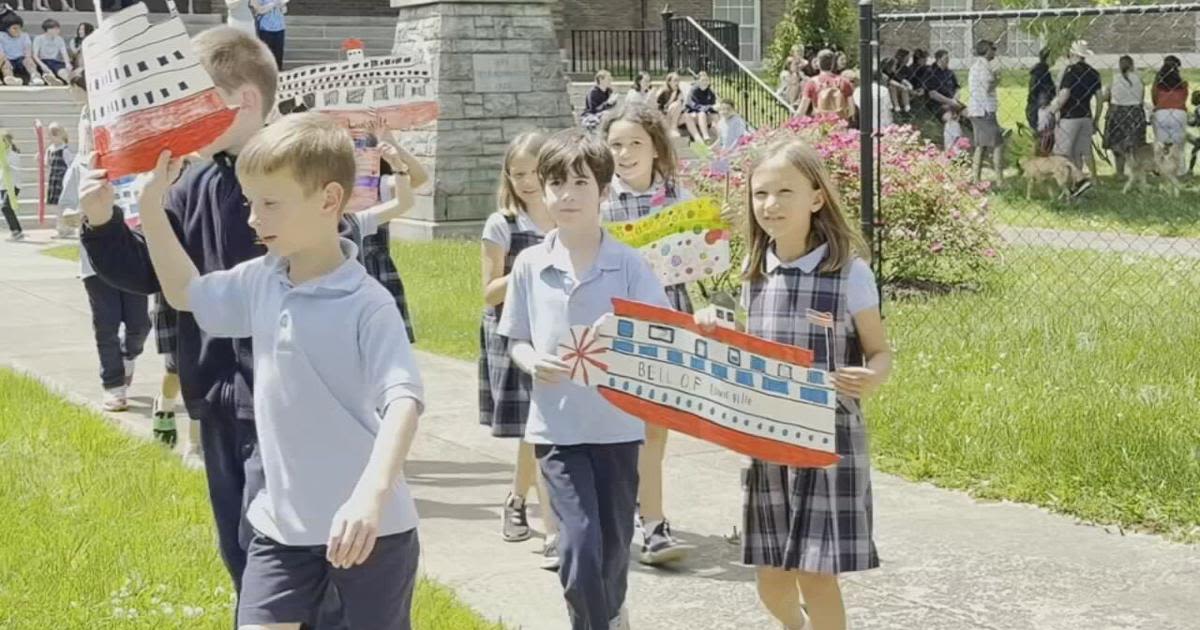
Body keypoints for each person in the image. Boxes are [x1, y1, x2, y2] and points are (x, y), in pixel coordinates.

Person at [134, 113, 425, 628]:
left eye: (270, 203)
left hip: (369, 532)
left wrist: (370, 496)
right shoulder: (260, 281)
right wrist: (150, 209)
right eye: (250, 202)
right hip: (280, 531)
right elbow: (184, 293)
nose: (252, 218)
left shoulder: (367, 303)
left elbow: (403, 400)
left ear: (329, 201)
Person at [78, 26, 298, 605]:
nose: (175, 122)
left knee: (281, 564)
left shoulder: (298, 171)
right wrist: (102, 222)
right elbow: (153, 272)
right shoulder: (192, 181)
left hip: (290, 399)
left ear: (244, 99)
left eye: (189, 104)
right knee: (241, 552)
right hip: (219, 400)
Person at [695, 137, 891, 630]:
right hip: (767, 441)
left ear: (817, 198)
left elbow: (880, 351)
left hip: (829, 440)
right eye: (760, 194)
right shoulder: (753, 272)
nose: (771, 204)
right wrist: (717, 332)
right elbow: (751, 348)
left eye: (785, 192)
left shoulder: (849, 273)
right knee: (770, 577)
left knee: (817, 574)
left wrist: (873, 377)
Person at [498, 127, 670, 630]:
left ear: (603, 190)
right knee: (578, 550)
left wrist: (620, 334)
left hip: (619, 430)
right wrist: (533, 362)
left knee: (613, 550)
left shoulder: (628, 264)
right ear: (541, 190)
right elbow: (517, 340)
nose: (567, 195)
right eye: (555, 184)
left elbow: (658, 327)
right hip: (557, 432)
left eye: (580, 183)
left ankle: (611, 615)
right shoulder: (531, 264)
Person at [600, 102, 697, 567]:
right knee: (613, 428)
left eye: (636, 143)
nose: (624, 152)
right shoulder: (598, 200)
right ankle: (612, 515)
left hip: (667, 321)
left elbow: (701, 259)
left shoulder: (680, 198)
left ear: (657, 148)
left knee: (654, 429)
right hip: (613, 324)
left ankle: (654, 523)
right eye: (615, 144)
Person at [478, 131, 560, 569]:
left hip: (558, 333)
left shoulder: (567, 215)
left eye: (534, 172)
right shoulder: (503, 223)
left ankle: (517, 498)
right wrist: (532, 264)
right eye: (518, 173)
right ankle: (548, 525)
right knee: (536, 427)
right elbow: (489, 292)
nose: (527, 182)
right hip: (515, 336)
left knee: (541, 427)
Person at [58, 116, 151, 413]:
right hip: (95, 263)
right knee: (106, 326)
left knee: (139, 324)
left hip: (134, 256)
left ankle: (128, 356)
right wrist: (79, 215)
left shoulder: (136, 163)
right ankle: (113, 385)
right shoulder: (81, 168)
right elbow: (67, 210)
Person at [1053, 40, 1102, 187]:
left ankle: (1071, 178)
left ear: (1072, 53)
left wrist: (1053, 110)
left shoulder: (1069, 71)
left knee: (1063, 152)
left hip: (1069, 116)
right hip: (1086, 115)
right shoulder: (1093, 73)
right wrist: (1096, 118)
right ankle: (1093, 178)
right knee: (1086, 150)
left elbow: (1064, 93)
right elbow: (1099, 98)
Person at [966, 39, 1005, 185]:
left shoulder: (978, 65)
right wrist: (997, 78)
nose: (994, 51)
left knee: (981, 146)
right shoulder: (983, 66)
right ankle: (999, 179)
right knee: (998, 143)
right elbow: (987, 87)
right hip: (984, 110)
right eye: (992, 48)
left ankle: (976, 178)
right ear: (986, 50)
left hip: (977, 109)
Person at [1102, 55, 1146, 179]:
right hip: (1135, 112)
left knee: (1118, 145)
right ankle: (1136, 171)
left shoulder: (1114, 79)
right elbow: (1142, 98)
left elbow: (1106, 97)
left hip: (1118, 113)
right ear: (1132, 66)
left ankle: (1120, 173)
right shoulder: (1139, 79)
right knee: (1134, 145)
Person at [1151, 55, 1189, 177]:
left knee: (1161, 144)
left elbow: (1154, 99)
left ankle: (1159, 169)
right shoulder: (1183, 84)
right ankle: (1180, 170)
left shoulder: (1158, 85)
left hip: (1161, 112)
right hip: (1179, 113)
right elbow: (1184, 98)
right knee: (1179, 145)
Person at [796, 49, 853, 118]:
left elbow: (801, 110)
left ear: (818, 63)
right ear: (833, 64)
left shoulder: (812, 83)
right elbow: (851, 110)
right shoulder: (844, 82)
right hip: (840, 125)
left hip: (820, 125)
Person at [44, 122, 74, 236]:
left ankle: (62, 228)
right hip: (54, 180)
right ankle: (65, 227)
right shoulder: (50, 150)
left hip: (62, 181)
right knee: (57, 206)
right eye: (51, 134)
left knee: (61, 205)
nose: (53, 136)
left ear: (61, 134)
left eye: (56, 133)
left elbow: (71, 165)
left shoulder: (65, 150)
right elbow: (48, 164)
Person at [1, 15, 41, 86]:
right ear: (7, 29)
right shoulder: (1, 36)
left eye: (19, 28)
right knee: (5, 64)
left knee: (29, 61)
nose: (17, 30)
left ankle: (35, 77)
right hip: (7, 58)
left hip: (20, 59)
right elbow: (1, 52)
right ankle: (10, 78)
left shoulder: (25, 36)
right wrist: (6, 60)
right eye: (14, 28)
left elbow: (27, 50)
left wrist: (28, 58)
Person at [0, 128, 23, 241]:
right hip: (3, 185)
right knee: (7, 208)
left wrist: (9, 167)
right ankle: (16, 230)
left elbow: (17, 169)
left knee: (5, 207)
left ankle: (16, 231)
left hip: (13, 185)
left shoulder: (14, 155)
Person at [1026, 47, 1056, 133]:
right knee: (1044, 139)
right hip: (1040, 110)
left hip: (1033, 108)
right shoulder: (1043, 73)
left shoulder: (1039, 71)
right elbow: (1046, 92)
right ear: (1048, 58)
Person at [250, 0, 286, 70]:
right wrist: (272, 4)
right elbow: (259, 10)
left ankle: (279, 73)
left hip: (280, 27)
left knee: (278, 55)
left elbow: (284, 11)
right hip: (265, 29)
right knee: (266, 56)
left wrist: (282, 6)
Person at [33, 18, 70, 86]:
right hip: (43, 61)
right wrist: (42, 65)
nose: (57, 31)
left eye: (58, 29)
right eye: (55, 29)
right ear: (48, 30)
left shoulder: (59, 39)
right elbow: (35, 55)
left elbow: (64, 53)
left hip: (54, 61)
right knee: (47, 70)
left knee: (62, 71)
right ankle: (52, 79)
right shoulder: (38, 38)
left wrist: (68, 63)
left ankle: (69, 80)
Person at [683, 71, 718, 143]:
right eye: (703, 80)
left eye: (707, 80)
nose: (705, 82)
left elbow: (712, 105)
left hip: (705, 114)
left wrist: (715, 109)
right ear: (698, 81)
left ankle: (722, 135)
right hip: (693, 113)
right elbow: (692, 104)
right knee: (702, 114)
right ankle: (705, 136)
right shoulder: (694, 90)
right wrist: (707, 108)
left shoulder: (710, 92)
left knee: (715, 115)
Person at [855, 66, 894, 130]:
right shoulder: (884, 90)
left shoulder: (857, 91)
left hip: (863, 124)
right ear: (880, 78)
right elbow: (888, 107)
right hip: (881, 124)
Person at [654, 72, 685, 136]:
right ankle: (673, 128)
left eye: (678, 80)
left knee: (687, 116)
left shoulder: (679, 91)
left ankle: (697, 138)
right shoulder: (663, 91)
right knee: (676, 104)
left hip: (673, 115)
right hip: (663, 116)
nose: (677, 82)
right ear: (669, 82)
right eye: (675, 80)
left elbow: (681, 105)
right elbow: (657, 106)